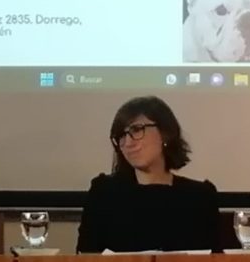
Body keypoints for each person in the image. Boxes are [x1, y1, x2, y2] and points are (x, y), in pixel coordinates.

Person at [77, 96, 221, 253]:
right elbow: (86, 260)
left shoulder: (200, 197)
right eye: (121, 136)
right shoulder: (104, 193)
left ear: (165, 133)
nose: (128, 143)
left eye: (137, 130)